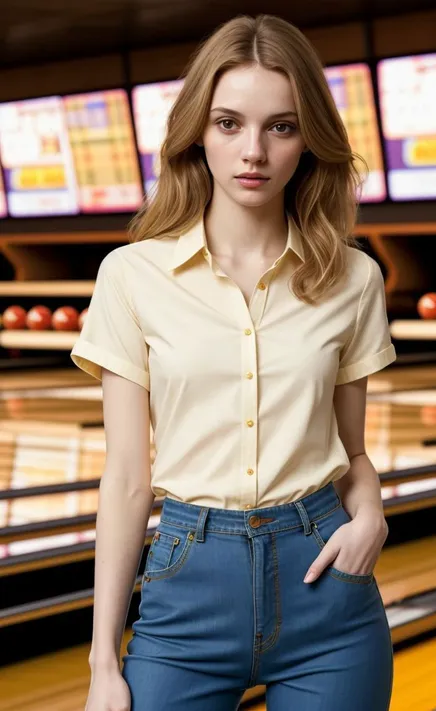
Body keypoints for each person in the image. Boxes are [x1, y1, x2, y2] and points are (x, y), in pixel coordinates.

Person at [70, 13, 397, 711]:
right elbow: (128, 475)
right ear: (198, 130)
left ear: (309, 138)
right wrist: (103, 661)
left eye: (281, 126)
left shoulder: (353, 278)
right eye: (229, 124)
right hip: (186, 590)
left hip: (326, 589)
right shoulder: (131, 276)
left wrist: (369, 515)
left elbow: (354, 452)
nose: (254, 151)